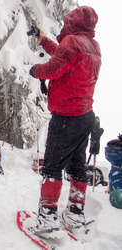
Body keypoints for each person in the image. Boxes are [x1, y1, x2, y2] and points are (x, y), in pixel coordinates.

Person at [28, 6, 101, 237]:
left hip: (66, 116)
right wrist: (42, 39)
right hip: (85, 115)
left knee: (52, 166)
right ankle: (75, 212)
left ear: (72, 23)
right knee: (78, 166)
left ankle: (47, 217)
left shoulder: (72, 43)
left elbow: (54, 67)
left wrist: (35, 70)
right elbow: (63, 53)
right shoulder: (93, 46)